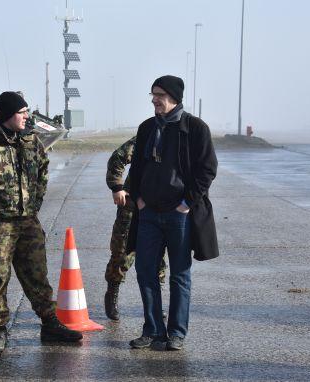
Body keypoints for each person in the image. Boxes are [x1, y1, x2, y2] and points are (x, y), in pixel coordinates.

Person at [0, 91, 83, 353]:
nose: (27, 116)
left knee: (37, 274)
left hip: (27, 221)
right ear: (8, 115)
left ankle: (50, 323)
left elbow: (42, 171)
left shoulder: (30, 139)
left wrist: (34, 206)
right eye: (22, 112)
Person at [127, 75, 218, 351]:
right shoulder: (146, 128)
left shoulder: (195, 128)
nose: (155, 99)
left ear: (174, 98)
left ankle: (176, 333)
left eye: (160, 95)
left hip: (180, 215)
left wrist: (186, 204)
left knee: (180, 274)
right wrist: (139, 200)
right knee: (145, 272)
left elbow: (208, 169)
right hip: (149, 214)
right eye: (153, 94)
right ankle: (153, 330)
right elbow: (137, 168)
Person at [104, 136, 167, 321]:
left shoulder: (179, 138)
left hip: (160, 207)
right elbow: (118, 157)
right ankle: (112, 293)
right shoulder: (149, 135)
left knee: (157, 257)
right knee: (122, 253)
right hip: (132, 205)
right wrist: (117, 187)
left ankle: (156, 303)